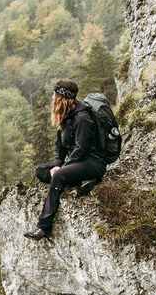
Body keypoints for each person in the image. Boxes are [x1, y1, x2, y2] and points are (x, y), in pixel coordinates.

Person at [23, 80, 105, 241]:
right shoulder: (65, 117)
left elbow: (81, 149)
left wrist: (61, 169)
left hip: (93, 163)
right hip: (77, 162)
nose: (52, 98)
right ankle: (77, 181)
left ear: (62, 98)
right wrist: (57, 163)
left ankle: (43, 227)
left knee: (59, 176)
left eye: (55, 95)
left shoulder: (83, 118)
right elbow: (60, 148)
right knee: (40, 171)